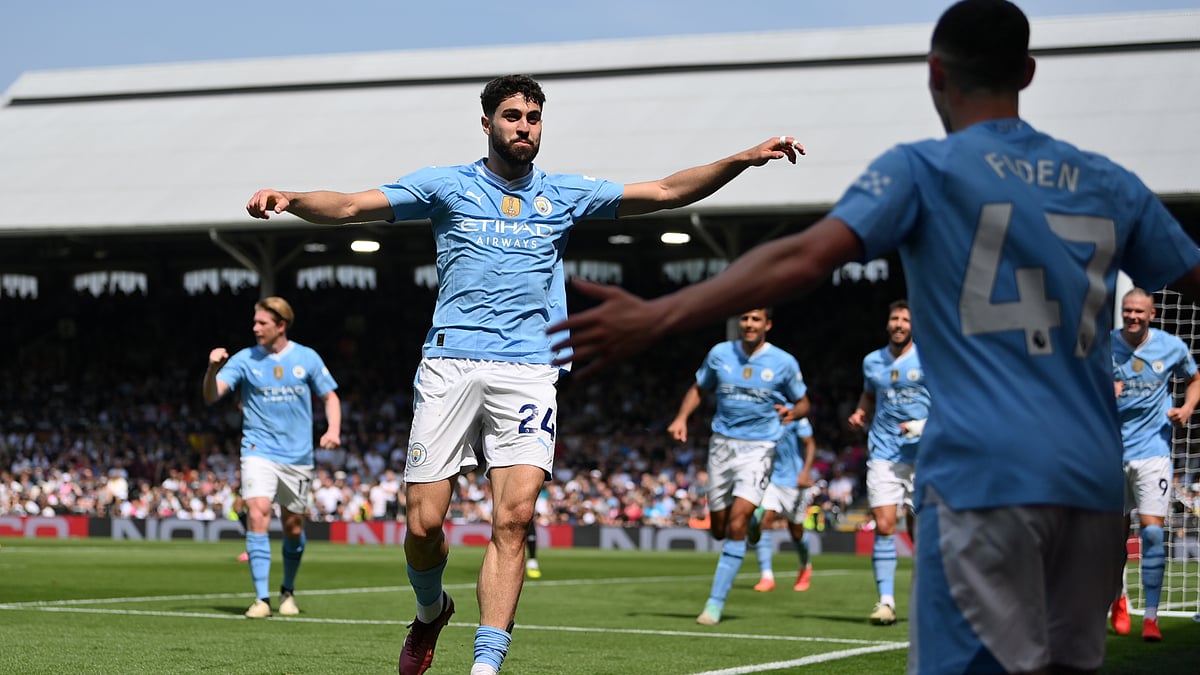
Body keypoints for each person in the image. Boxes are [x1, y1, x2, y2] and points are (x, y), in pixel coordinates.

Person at [549, 1, 1200, 671]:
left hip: (986, 474)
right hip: (1093, 482)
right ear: (1028, 72)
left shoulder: (926, 169)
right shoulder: (1109, 181)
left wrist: (659, 315)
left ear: (935, 74)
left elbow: (802, 256)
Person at [245, 74, 804, 675]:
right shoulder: (445, 186)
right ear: (486, 123)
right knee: (424, 522)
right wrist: (293, 199)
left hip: (530, 370)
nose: (524, 127)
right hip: (449, 365)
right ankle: (432, 610)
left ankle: (487, 665)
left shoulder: (565, 193)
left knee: (513, 520)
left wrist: (743, 159)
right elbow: (352, 206)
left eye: (534, 118)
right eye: (512, 116)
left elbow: (666, 192)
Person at [666, 307, 809, 625]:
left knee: (736, 527)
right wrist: (681, 417)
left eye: (756, 319)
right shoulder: (719, 353)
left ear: (768, 325)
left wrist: (792, 412)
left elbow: (804, 402)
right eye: (744, 318)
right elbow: (699, 388)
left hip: (759, 449)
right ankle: (754, 521)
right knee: (718, 529)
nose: (749, 324)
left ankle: (714, 605)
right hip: (722, 446)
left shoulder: (783, 362)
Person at [202, 296, 342, 619]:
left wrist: (333, 429)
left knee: (293, 527)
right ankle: (261, 598)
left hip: (298, 455)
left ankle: (287, 591)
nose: (255, 328)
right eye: (255, 322)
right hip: (258, 450)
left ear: (281, 325)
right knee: (258, 511)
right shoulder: (244, 359)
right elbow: (212, 395)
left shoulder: (306, 358)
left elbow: (330, 396)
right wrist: (212, 369)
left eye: (262, 322)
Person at [1108, 287, 1200, 641]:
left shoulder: (1171, 347)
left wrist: (1188, 409)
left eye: (1138, 312)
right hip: (1112, 452)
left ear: (1152, 314)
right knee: (1113, 537)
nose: (1132, 316)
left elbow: (1195, 379)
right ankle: (1118, 598)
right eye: (1127, 310)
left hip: (1153, 452)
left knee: (1151, 533)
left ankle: (1150, 617)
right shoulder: (1105, 346)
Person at [846, 299, 930, 626]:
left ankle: (925, 600)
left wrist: (924, 425)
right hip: (883, 451)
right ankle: (885, 603)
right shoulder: (872, 362)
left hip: (923, 454)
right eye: (894, 319)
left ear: (913, 325)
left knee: (920, 531)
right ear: (888, 324)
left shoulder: (928, 357)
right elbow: (869, 394)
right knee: (884, 525)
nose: (898, 324)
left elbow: (948, 396)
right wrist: (860, 412)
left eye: (905, 320)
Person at [751, 415, 817, 593]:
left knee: (795, 530)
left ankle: (805, 565)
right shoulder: (764, 413)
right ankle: (767, 576)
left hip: (795, 482)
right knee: (765, 520)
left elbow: (810, 444)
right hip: (772, 479)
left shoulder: (795, 415)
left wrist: (805, 473)